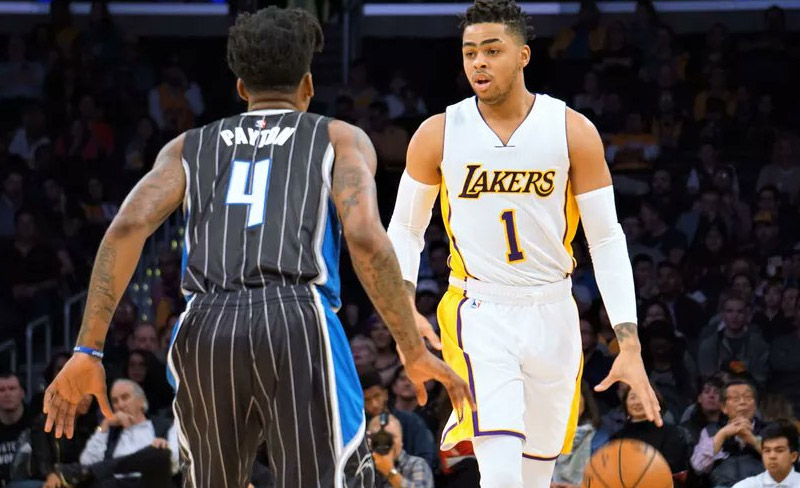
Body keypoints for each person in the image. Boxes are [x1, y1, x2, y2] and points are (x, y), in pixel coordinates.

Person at [43, 7, 472, 488]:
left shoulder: (186, 147)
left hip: (205, 323)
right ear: (308, 85)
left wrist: (88, 348)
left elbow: (124, 229)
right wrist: (410, 347)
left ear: (241, 87)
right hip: (296, 317)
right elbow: (366, 237)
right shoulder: (339, 138)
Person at [385, 1, 661, 486]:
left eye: (492, 51)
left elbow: (606, 238)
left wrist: (629, 341)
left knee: (535, 474)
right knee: (500, 471)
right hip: (479, 308)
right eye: (470, 52)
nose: (479, 62)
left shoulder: (572, 130)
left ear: (524, 56)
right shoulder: (438, 132)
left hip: (554, 310)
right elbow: (405, 229)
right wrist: (404, 305)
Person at [691, 378, 766, 488]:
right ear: (724, 407)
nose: (743, 402)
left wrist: (752, 439)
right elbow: (698, 467)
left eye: (748, 397)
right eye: (735, 398)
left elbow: (784, 462)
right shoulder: (711, 431)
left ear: (755, 405)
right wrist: (722, 435)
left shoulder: (769, 430)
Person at [367, 412, 433, 488]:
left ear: (401, 440)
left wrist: (390, 472)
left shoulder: (416, 464)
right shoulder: (364, 467)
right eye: (379, 437)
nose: (385, 442)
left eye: (391, 436)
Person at [732, 421, 800, 488]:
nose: (772, 456)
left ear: (793, 456)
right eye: (767, 451)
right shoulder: (745, 486)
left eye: (779, 451)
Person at [0, 372, 31, 484]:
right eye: (1, 390)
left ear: (22, 393)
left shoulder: (36, 423)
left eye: (12, 389)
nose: (7, 394)